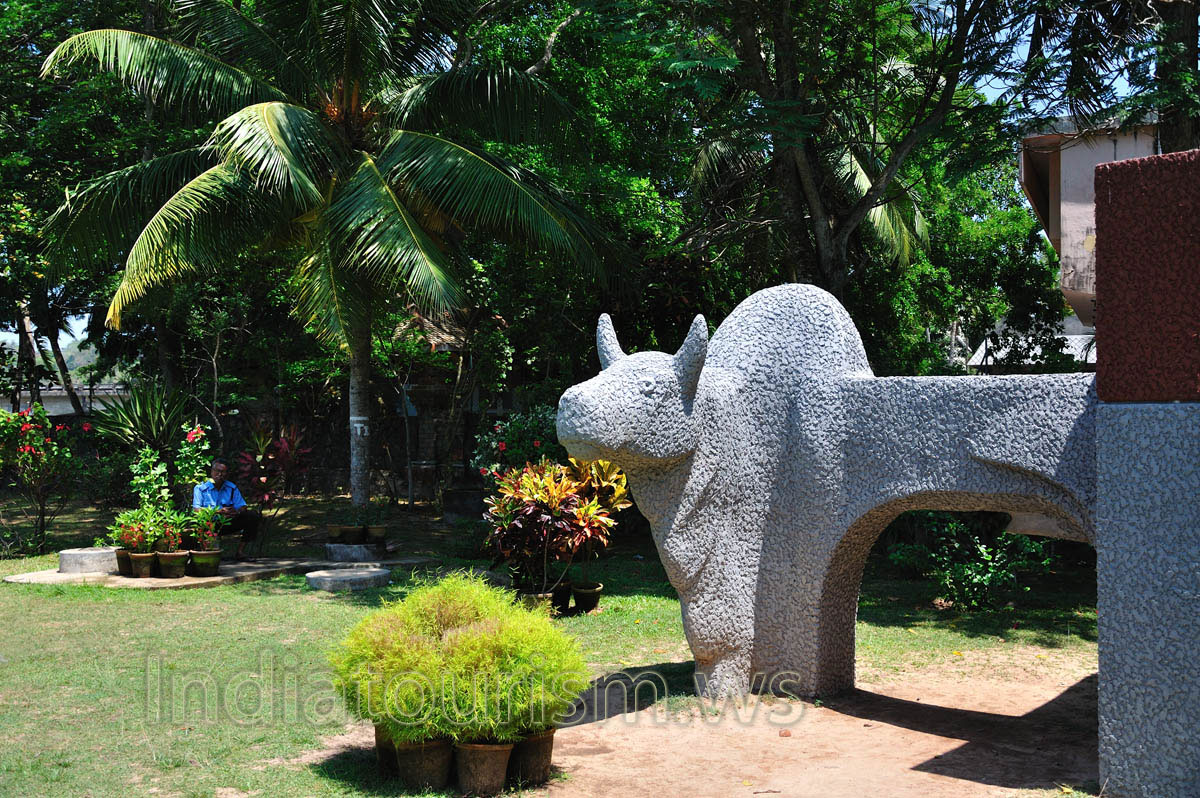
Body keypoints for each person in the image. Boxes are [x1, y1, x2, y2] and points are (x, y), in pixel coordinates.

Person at [192, 457, 260, 561]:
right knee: (199, 523)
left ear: (227, 474)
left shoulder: (231, 487)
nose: (220, 474)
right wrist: (218, 511)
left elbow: (242, 506)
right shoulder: (200, 488)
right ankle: (205, 552)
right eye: (217, 471)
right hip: (209, 524)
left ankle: (240, 552)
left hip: (227, 523)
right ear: (212, 471)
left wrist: (236, 512)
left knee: (252, 515)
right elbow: (196, 510)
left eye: (223, 472)